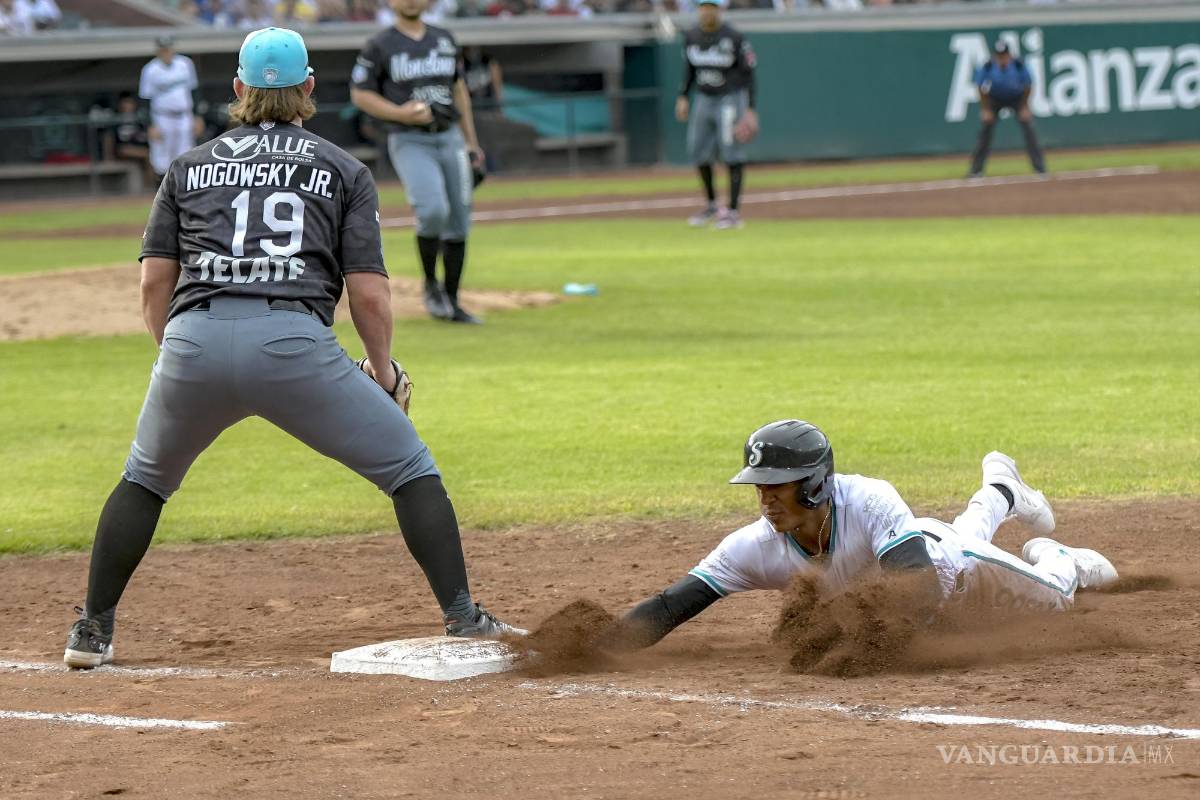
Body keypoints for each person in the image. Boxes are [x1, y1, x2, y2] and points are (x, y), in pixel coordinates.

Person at [63, 27, 522, 670]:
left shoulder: (189, 166)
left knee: (144, 481)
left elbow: (153, 282)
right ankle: (463, 617)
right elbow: (368, 296)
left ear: (238, 91)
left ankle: (92, 632)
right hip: (292, 342)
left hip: (192, 339)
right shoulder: (343, 169)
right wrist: (383, 375)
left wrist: (176, 352)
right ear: (309, 88)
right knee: (411, 471)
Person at [608, 420, 1118, 652]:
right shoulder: (754, 546)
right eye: (757, 486)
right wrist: (601, 645)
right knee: (960, 535)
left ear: (813, 482)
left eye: (775, 485)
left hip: (961, 571)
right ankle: (1002, 490)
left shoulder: (869, 498)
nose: (764, 498)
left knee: (1057, 599)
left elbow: (916, 587)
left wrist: (848, 634)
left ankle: (1061, 557)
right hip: (930, 543)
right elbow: (672, 605)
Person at [351, 0, 485, 324]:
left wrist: (471, 141)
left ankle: (451, 299)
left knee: (459, 215)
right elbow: (360, 93)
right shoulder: (380, 44)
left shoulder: (444, 38)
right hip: (409, 137)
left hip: (449, 133)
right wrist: (400, 113)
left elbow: (458, 89)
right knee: (432, 209)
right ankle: (430, 285)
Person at [675, 0, 758, 230]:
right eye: (703, 7)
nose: (707, 12)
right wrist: (683, 96)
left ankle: (732, 212)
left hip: (730, 98)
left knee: (732, 152)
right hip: (704, 97)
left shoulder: (734, 36)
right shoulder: (691, 36)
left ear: (719, 10)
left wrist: (750, 108)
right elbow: (689, 69)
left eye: (711, 7)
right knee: (698, 151)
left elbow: (749, 73)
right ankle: (712, 205)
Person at [968, 41, 1047, 178]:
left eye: (1004, 55)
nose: (1002, 59)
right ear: (995, 56)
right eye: (999, 56)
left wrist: (1024, 107)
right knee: (985, 131)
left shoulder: (1018, 65)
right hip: (995, 98)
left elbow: (1028, 86)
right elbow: (980, 87)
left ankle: (1040, 169)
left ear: (1009, 55)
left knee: (1029, 128)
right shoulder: (988, 66)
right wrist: (986, 109)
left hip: (1016, 98)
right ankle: (976, 171)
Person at [139, 35, 200, 182]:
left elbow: (195, 91)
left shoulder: (185, 64)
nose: (166, 52)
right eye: (163, 49)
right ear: (158, 51)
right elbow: (144, 99)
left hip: (184, 116)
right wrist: (150, 125)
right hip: (161, 118)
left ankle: (184, 194)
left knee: (186, 155)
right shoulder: (150, 69)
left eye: (168, 48)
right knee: (161, 158)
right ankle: (162, 196)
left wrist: (197, 117)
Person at [105, 91, 154, 186]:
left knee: (151, 155)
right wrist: (108, 156)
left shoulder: (139, 118)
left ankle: (151, 184)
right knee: (147, 155)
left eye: (130, 103)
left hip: (139, 148)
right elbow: (108, 137)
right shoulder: (116, 118)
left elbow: (146, 135)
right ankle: (149, 186)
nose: (127, 105)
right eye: (125, 103)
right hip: (122, 149)